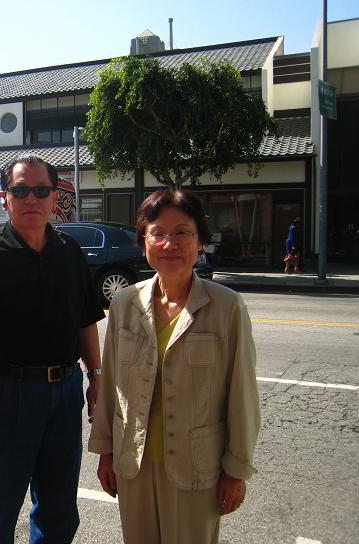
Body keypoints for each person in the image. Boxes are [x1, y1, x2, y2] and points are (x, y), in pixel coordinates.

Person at [88, 189, 261, 544]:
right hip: (133, 464)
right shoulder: (124, 303)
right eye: (158, 233)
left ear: (200, 242)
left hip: (196, 467)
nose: (170, 244)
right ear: (144, 242)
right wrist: (106, 451)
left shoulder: (226, 307)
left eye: (182, 232)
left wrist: (237, 469)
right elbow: (112, 387)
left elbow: (242, 394)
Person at [0, 154, 105, 544]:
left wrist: (96, 376)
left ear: (54, 197)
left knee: (58, 510)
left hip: (66, 391)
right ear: (4, 198)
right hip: (9, 392)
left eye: (41, 190)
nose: (31, 199)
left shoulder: (70, 252)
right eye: (20, 191)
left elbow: (86, 320)